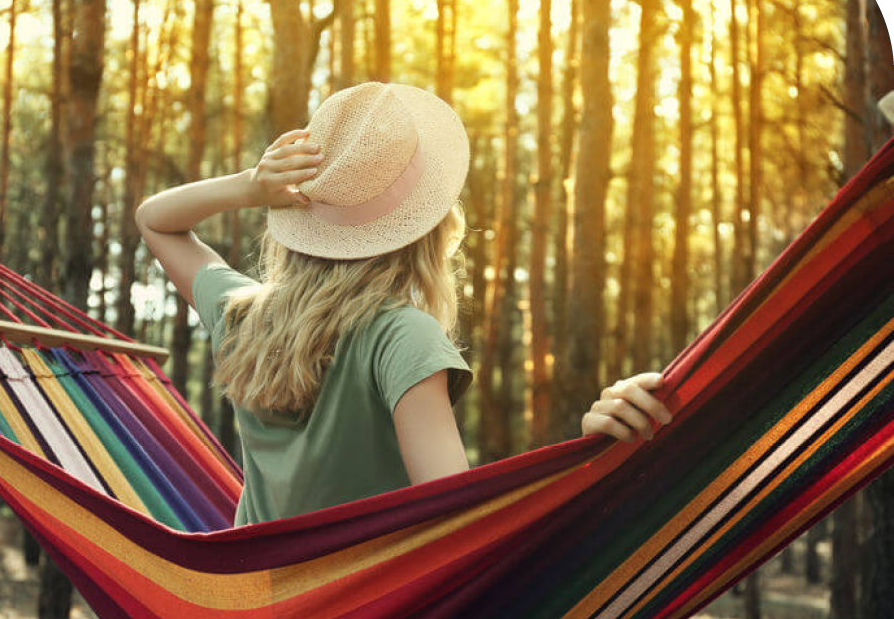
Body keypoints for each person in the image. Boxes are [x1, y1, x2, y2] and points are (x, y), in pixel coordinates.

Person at [135, 81, 674, 528]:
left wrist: (249, 187)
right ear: (429, 231)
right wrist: (584, 457)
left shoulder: (242, 313)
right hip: (363, 615)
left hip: (250, 608)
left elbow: (155, 219)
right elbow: (455, 519)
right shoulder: (401, 335)